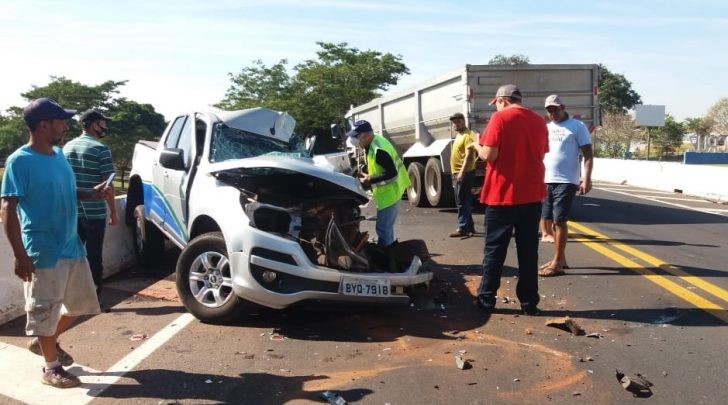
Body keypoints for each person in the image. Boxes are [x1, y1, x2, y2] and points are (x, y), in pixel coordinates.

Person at [1, 98, 109, 388]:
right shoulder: (19, 161)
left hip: (71, 245)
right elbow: (8, 208)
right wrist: (20, 255)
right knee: (45, 310)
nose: (65, 126)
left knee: (82, 305)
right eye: (61, 121)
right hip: (43, 250)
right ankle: (51, 368)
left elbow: (67, 191)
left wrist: (92, 194)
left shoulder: (59, 155)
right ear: (44, 125)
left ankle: (44, 341)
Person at [470, 85, 549, 315]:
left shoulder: (500, 118)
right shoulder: (539, 121)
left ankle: (486, 299)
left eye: (496, 103)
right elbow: (541, 153)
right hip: (532, 195)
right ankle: (529, 303)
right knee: (528, 252)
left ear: (502, 100)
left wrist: (476, 144)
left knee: (495, 251)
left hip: (502, 194)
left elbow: (489, 155)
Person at [63, 109, 118, 295]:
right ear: (95, 125)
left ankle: (72, 295)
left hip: (71, 212)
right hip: (94, 212)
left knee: (71, 255)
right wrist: (114, 213)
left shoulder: (67, 147)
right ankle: (94, 296)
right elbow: (107, 186)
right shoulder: (101, 149)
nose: (105, 126)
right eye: (103, 123)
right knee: (94, 255)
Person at [538, 95, 594, 277]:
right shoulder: (547, 128)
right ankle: (560, 259)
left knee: (559, 221)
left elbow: (588, 154)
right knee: (550, 221)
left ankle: (557, 264)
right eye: (549, 110)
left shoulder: (577, 126)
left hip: (566, 180)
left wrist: (586, 179)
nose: (552, 113)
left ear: (562, 107)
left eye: (555, 109)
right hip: (547, 180)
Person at [346, 120, 410, 248]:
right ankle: (390, 252)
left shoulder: (378, 150)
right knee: (386, 228)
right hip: (389, 191)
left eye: (356, 136)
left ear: (365, 136)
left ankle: (385, 256)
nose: (353, 139)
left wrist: (370, 179)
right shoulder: (373, 141)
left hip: (390, 193)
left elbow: (392, 173)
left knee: (383, 229)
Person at [448, 112, 478, 237]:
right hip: (458, 172)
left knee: (462, 201)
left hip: (464, 173)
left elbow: (469, 156)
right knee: (463, 200)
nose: (456, 124)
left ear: (464, 121)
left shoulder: (468, 135)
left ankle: (463, 228)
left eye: (458, 122)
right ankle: (469, 227)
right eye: (454, 122)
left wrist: (462, 172)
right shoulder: (460, 135)